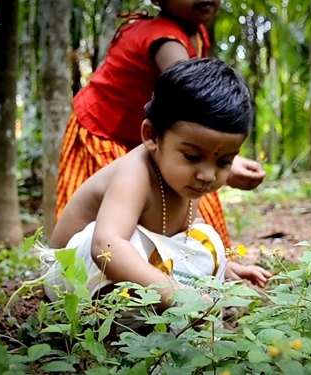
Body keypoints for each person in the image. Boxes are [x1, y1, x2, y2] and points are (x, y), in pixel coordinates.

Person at [44, 58, 272, 314]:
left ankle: (149, 323)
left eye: (224, 161)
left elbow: (186, 232)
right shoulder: (135, 172)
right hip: (72, 276)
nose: (207, 175)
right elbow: (104, 245)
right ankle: (109, 328)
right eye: (192, 156)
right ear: (152, 136)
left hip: (118, 272)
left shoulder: (187, 180)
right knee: (117, 243)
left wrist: (223, 266)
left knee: (207, 238)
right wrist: (178, 296)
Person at [55, 0, 266, 251]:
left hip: (163, 140)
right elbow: (190, 100)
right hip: (104, 133)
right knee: (119, 225)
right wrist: (219, 157)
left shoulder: (196, 34)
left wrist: (214, 156)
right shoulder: (166, 40)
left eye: (223, 161)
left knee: (188, 192)